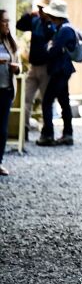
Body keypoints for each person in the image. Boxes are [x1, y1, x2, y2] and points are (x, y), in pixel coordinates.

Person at [37, 0, 77, 147]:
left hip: (60, 70)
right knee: (64, 101)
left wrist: (49, 48)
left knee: (47, 101)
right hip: (62, 69)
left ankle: (48, 134)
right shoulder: (63, 28)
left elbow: (53, 50)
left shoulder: (64, 30)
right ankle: (68, 134)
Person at [17, 0, 55, 139]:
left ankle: (47, 132)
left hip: (46, 68)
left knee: (46, 101)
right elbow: (19, 25)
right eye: (39, 8)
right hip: (33, 66)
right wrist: (29, 15)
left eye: (42, 9)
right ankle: (23, 130)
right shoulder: (35, 21)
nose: (40, 11)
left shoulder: (52, 25)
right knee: (26, 99)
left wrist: (47, 20)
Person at [0, 10, 21, 176]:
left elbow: (19, 66)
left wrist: (16, 68)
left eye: (8, 21)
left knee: (2, 130)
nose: (7, 24)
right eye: (4, 21)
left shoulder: (10, 43)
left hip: (6, 90)